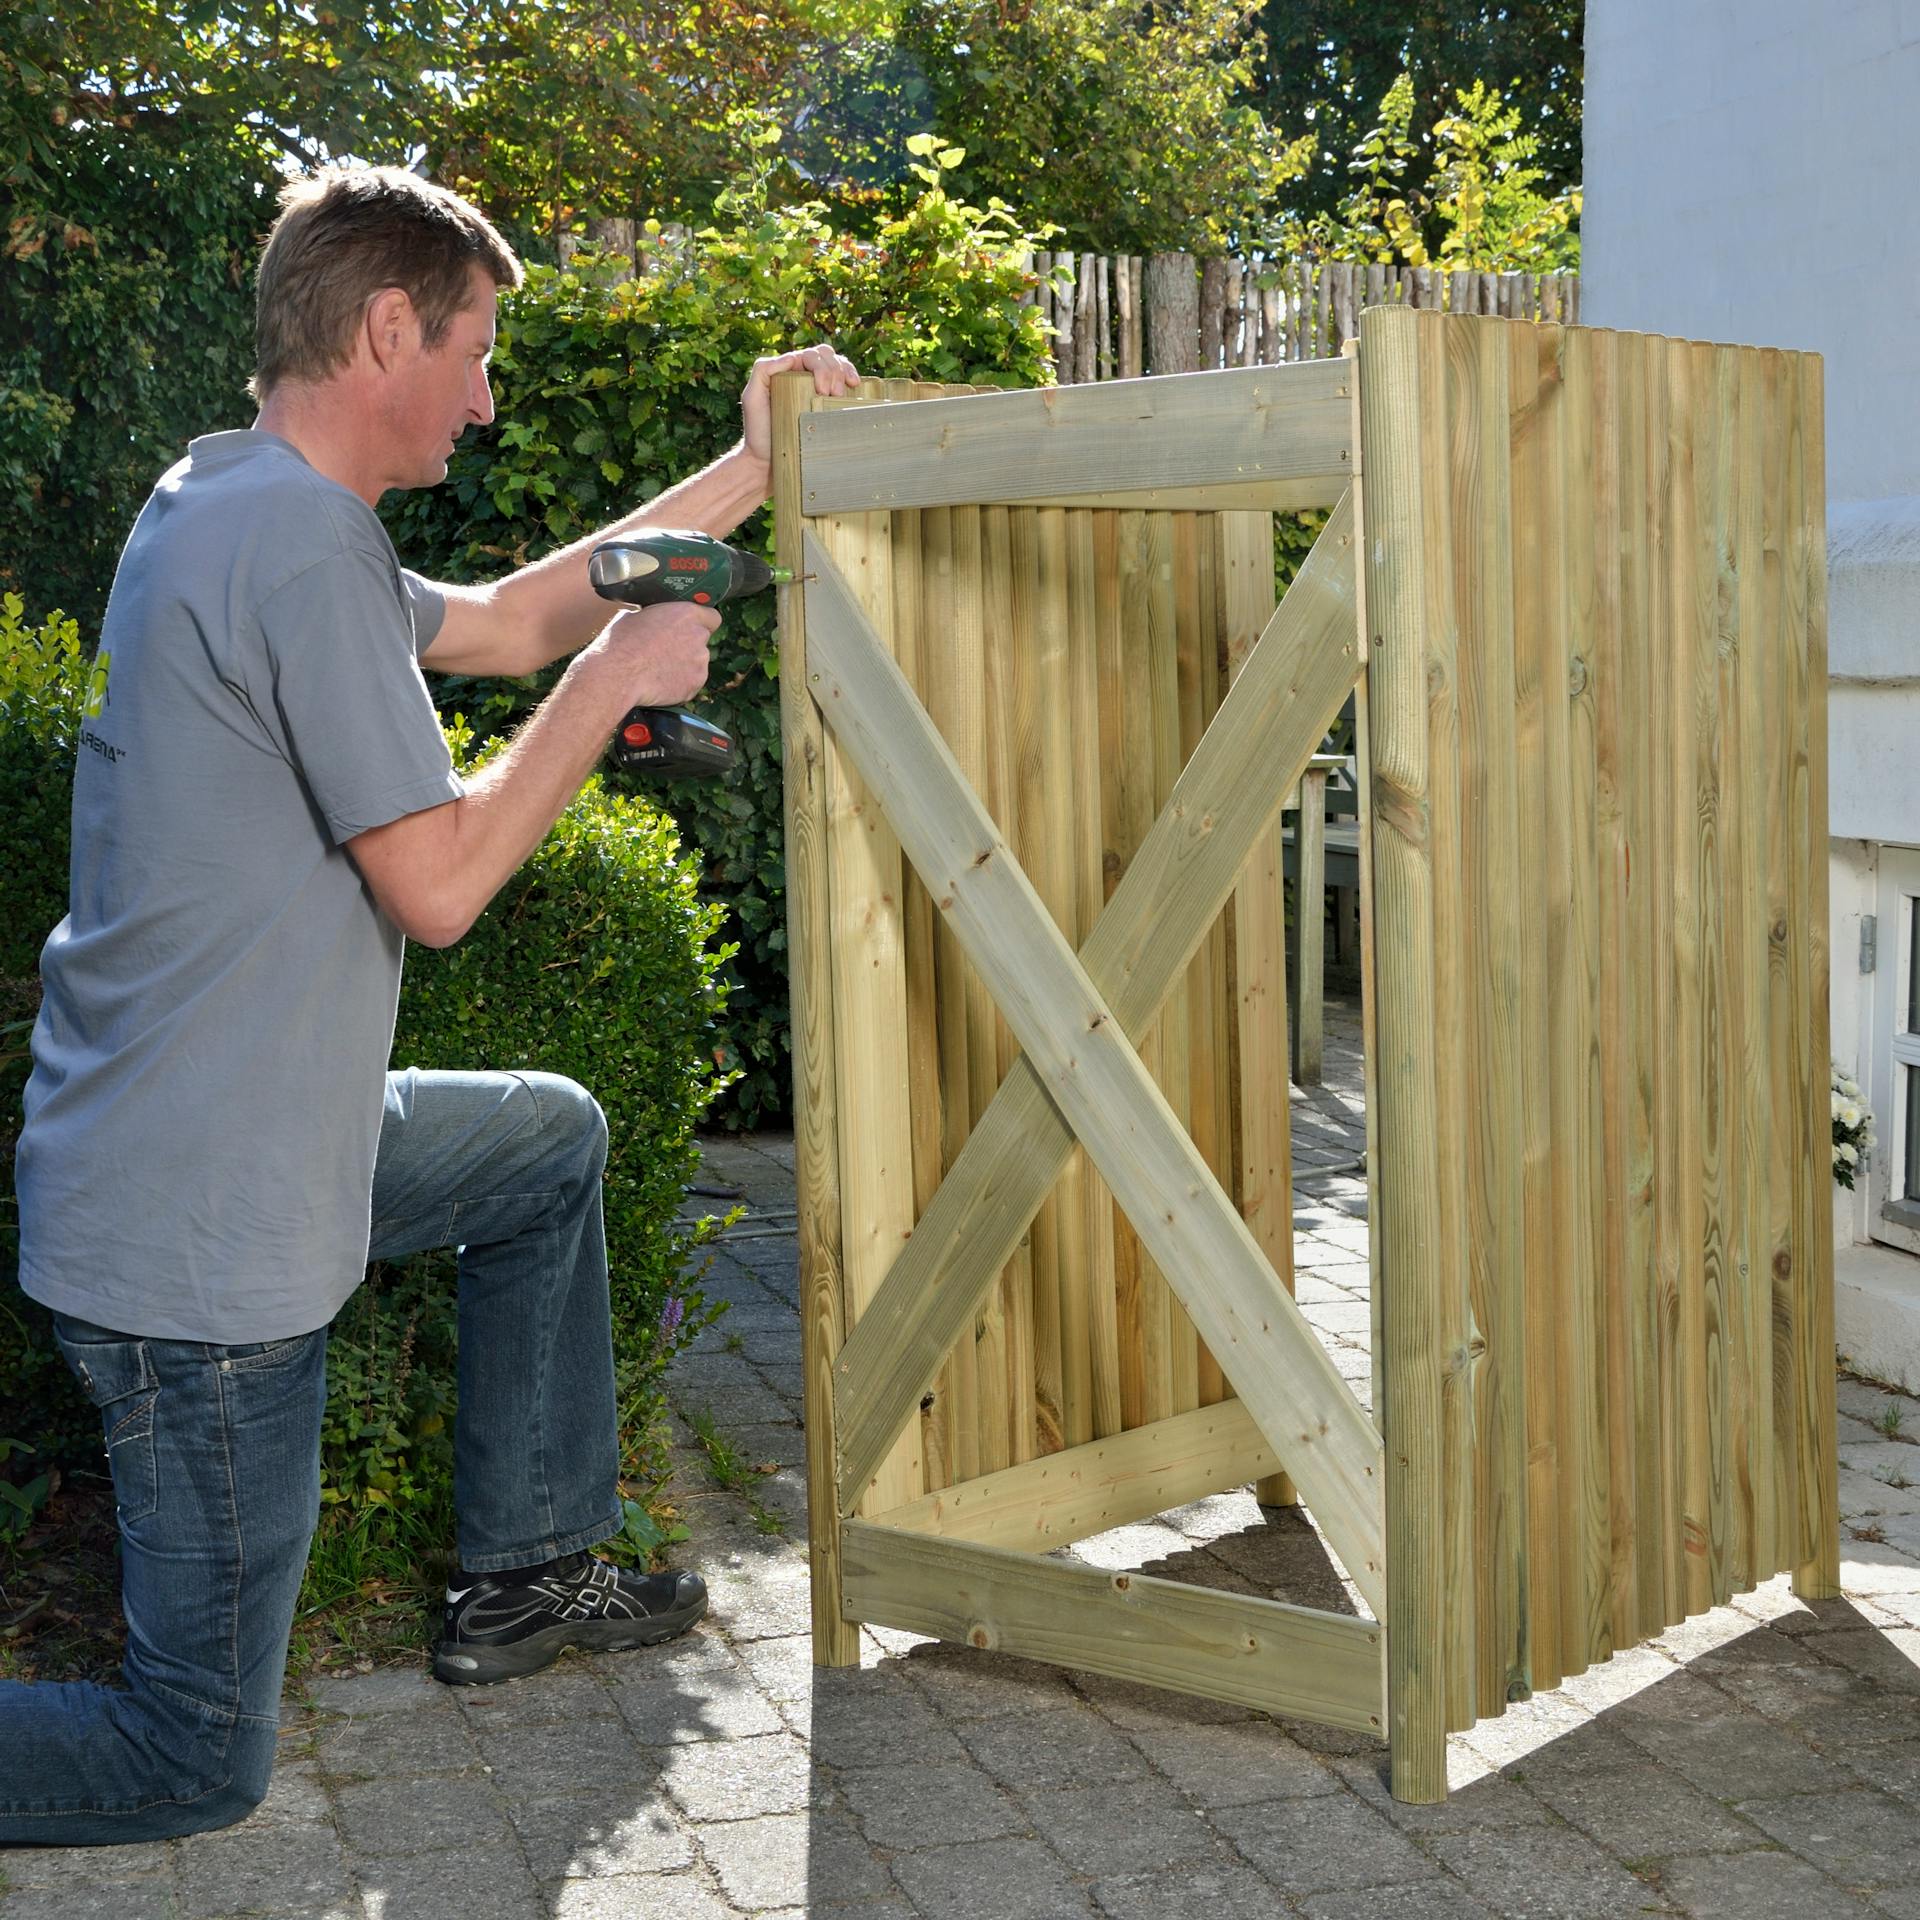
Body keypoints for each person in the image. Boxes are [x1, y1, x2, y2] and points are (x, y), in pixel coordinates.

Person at [0, 164, 859, 1846]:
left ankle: (526, 1575)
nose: (485, 395)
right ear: (385, 326)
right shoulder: (297, 550)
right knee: (191, 1755)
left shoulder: (238, 497)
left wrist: (755, 472)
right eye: (471, 351)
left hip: (232, 1141)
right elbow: (443, 887)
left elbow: (510, 617)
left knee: (545, 1147)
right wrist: (613, 690)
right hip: (200, 1244)